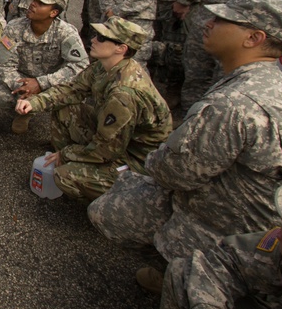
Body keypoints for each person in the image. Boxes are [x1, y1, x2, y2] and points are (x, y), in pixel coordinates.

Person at [88, 0, 282, 291]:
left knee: (111, 206)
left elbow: (172, 172)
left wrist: (148, 162)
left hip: (231, 229)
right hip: (271, 226)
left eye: (223, 20)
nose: (208, 23)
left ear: (254, 38)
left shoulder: (233, 103)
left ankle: (186, 274)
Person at [16, 17, 171, 201]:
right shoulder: (103, 67)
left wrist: (67, 153)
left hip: (137, 159)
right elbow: (72, 90)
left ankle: (125, 201)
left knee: (65, 176)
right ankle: (74, 161)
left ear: (121, 49)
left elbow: (106, 150)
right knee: (66, 108)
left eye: (102, 38)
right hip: (116, 139)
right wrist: (36, 102)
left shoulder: (124, 94)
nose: (93, 40)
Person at [0, 0, 88, 134]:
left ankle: (61, 131)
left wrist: (41, 83)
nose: (33, 4)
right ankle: (24, 112)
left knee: (73, 99)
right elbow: (4, 64)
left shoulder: (66, 32)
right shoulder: (14, 27)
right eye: (34, 0)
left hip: (52, 83)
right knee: (1, 94)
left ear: (54, 12)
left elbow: (80, 65)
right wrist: (22, 88)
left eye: (41, 3)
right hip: (22, 80)